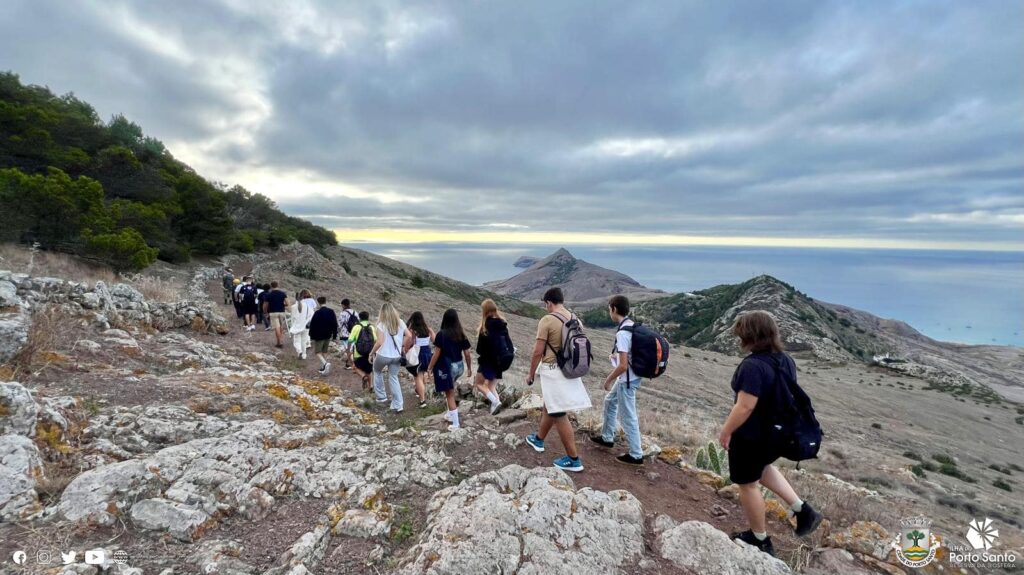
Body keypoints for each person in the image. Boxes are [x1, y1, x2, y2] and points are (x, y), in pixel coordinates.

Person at [718, 311, 823, 556]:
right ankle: (803, 511)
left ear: (749, 335)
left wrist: (726, 431)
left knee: (747, 483)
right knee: (762, 467)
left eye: (740, 334)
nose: (738, 338)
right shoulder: (784, 359)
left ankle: (759, 538)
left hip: (752, 435)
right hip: (776, 435)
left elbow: (745, 406)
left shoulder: (752, 366)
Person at [524, 287, 590, 472]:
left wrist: (530, 374)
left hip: (552, 371)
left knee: (559, 413)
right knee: (550, 406)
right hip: (568, 369)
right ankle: (538, 439)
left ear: (549, 302)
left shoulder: (547, 320)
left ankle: (574, 459)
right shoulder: (575, 318)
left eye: (546, 305)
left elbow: (538, 351)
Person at [590, 295, 644, 465]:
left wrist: (608, 380)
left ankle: (636, 454)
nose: (609, 313)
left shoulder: (622, 333)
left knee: (628, 416)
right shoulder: (631, 325)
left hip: (626, 379)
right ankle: (607, 437)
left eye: (609, 309)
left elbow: (622, 366)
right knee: (610, 401)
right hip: (632, 377)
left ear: (614, 309)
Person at [426, 308, 472, 431]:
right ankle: (450, 414)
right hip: (459, 366)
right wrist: (469, 368)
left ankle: (455, 423)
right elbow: (467, 353)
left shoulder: (441, 334)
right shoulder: (461, 333)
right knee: (450, 389)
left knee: (449, 394)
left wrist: (429, 367)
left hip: (448, 367)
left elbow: (436, 353)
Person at [369, 302, 412, 413]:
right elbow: (409, 335)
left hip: (383, 355)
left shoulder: (381, 324)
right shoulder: (400, 322)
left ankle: (381, 397)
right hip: (396, 356)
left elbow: (379, 342)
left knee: (377, 371)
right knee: (393, 377)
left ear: (382, 312)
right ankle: (398, 404)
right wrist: (401, 345)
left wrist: (371, 353)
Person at [474, 299, 507, 416]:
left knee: (478, 383)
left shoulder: (486, 326)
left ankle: (495, 401)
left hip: (487, 361)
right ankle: (496, 411)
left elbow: (479, 349)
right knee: (491, 386)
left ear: (485, 311)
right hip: (500, 361)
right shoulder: (502, 324)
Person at [406, 311, 434, 408]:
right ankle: (419, 391)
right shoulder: (427, 329)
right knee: (422, 375)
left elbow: (410, 342)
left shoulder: (414, 331)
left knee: (417, 376)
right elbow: (434, 340)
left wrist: (405, 351)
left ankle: (422, 400)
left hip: (418, 354)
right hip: (427, 354)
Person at [308, 296, 339, 375]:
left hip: (319, 335)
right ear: (325, 301)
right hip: (328, 334)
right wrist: (334, 335)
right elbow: (335, 324)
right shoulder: (331, 311)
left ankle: (325, 364)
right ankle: (323, 368)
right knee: (324, 351)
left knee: (318, 352)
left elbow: (313, 325)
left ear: (318, 302)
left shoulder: (317, 312)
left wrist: (311, 335)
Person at [347, 311, 375, 390]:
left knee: (355, 367)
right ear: (368, 317)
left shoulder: (356, 327)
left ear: (359, 318)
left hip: (358, 353)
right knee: (369, 370)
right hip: (370, 353)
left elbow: (350, 340)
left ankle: (363, 376)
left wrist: (348, 350)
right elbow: (375, 340)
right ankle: (371, 386)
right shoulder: (372, 327)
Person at [289, 289, 317, 359]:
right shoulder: (308, 307)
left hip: (297, 326)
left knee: (296, 341)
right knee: (303, 341)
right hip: (306, 326)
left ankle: (299, 351)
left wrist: (292, 326)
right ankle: (304, 355)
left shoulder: (293, 307)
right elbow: (312, 315)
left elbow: (292, 318)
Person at [265, 281, 289, 349]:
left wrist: (265, 312)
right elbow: (287, 303)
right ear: (277, 285)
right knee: (281, 326)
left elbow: (265, 305)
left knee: (277, 327)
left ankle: (279, 342)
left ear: (271, 286)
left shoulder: (269, 294)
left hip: (273, 312)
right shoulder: (283, 294)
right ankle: (281, 340)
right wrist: (283, 304)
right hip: (281, 311)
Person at [337, 299, 358, 369]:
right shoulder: (355, 312)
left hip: (345, 334)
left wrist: (336, 332)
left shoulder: (342, 313)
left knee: (348, 350)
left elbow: (339, 325)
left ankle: (352, 365)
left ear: (343, 305)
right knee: (352, 349)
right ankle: (348, 363)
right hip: (355, 334)